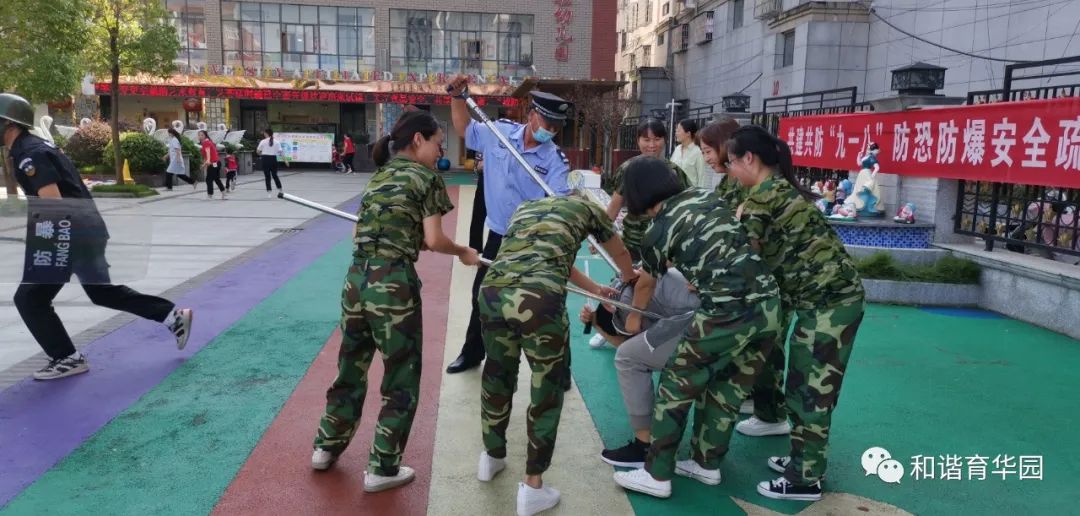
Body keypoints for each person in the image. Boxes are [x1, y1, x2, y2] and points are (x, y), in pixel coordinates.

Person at [310, 110, 480, 492]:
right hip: (392, 284)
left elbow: (362, 234)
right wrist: (463, 252)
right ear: (418, 139)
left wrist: (407, 239)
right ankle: (383, 468)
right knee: (401, 374)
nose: (441, 152)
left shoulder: (379, 176)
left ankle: (326, 446)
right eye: (438, 143)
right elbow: (435, 240)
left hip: (356, 280)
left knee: (350, 366)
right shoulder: (425, 178)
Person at [610, 157, 782, 500]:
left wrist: (633, 320)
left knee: (676, 382)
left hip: (727, 311)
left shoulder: (657, 230)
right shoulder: (705, 195)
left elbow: (646, 283)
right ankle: (706, 464)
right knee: (727, 387)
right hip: (769, 304)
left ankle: (657, 474)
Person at [0, 93, 194, 381]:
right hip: (85, 230)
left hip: (68, 235)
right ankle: (172, 316)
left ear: (9, 123)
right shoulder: (35, 147)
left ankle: (66, 358)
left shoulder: (30, 154)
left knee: (30, 299)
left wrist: (43, 243)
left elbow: (52, 202)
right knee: (101, 292)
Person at [725, 126, 865, 501]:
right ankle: (805, 461)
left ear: (749, 159)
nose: (731, 171)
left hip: (830, 303)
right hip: (824, 300)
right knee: (803, 384)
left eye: (732, 162)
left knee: (811, 391)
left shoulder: (760, 200)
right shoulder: (779, 189)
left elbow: (745, 263)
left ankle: (805, 479)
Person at [476, 193, 636, 516]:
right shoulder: (588, 208)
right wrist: (630, 278)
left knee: (497, 375)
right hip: (540, 299)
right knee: (546, 389)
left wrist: (595, 289)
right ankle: (533, 486)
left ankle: (491, 458)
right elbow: (618, 251)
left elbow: (552, 260)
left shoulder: (526, 208)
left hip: (493, 291)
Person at [445, 75, 575, 374]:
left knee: (546, 303)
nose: (551, 131)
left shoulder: (555, 160)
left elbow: (559, 203)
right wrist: (456, 98)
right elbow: (465, 129)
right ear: (532, 115)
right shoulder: (498, 132)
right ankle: (472, 353)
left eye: (556, 127)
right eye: (547, 123)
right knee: (482, 295)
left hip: (532, 241)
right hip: (498, 235)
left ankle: (560, 368)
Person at [578, 269, 701, 468]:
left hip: (705, 323)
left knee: (627, 358)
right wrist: (596, 323)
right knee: (639, 351)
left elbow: (628, 347)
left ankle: (644, 447)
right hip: (733, 312)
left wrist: (623, 317)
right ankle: (706, 460)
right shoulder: (630, 280)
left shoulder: (630, 305)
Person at [592, 119, 691, 351]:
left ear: (665, 140)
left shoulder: (674, 172)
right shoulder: (629, 169)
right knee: (622, 286)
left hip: (664, 245)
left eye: (657, 139)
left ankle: (653, 333)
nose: (652, 145)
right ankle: (607, 327)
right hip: (634, 242)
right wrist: (601, 234)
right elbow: (614, 205)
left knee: (656, 289)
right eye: (646, 139)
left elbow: (686, 206)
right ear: (637, 141)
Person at [669, 119, 707, 189]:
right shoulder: (677, 149)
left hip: (690, 193)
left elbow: (702, 178)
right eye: (676, 131)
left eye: (678, 130)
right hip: (675, 192)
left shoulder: (698, 152)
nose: (676, 133)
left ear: (688, 133)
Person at [256, 128, 286, 198]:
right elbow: (281, 152)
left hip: (265, 159)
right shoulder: (277, 142)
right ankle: (280, 190)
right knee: (275, 175)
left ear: (266, 133)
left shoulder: (263, 141)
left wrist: (262, 154)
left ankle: (269, 193)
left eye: (264, 133)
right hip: (273, 159)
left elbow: (257, 151)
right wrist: (285, 160)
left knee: (267, 176)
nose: (264, 134)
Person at [198, 130, 226, 200]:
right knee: (216, 178)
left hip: (213, 163)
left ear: (205, 136)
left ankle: (210, 195)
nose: (200, 136)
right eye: (199, 135)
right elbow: (207, 155)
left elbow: (208, 153)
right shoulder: (208, 142)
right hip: (216, 163)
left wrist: (207, 161)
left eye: (202, 135)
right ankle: (223, 191)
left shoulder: (206, 142)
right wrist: (204, 164)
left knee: (209, 179)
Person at [468, 151, 486, 252]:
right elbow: (477, 167)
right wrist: (480, 166)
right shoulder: (484, 146)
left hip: (503, 182)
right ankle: (475, 248)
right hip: (485, 180)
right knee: (478, 215)